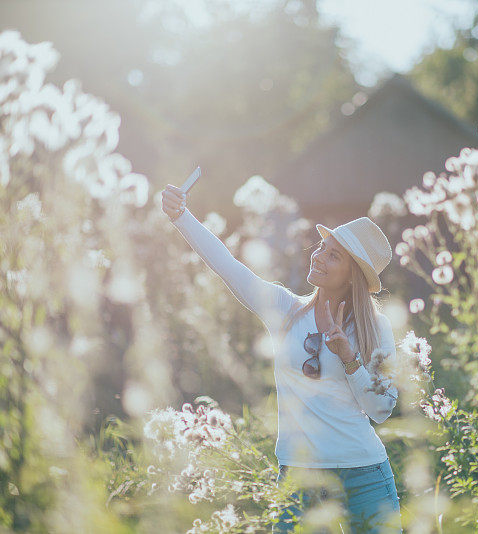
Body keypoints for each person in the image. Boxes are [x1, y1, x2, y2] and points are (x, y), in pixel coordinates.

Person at [161, 184, 403, 533]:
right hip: (297, 479)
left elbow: (382, 409)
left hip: (363, 475)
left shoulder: (375, 328)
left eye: (334, 255)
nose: (318, 256)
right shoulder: (285, 309)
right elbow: (227, 266)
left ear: (353, 276)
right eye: (322, 247)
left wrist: (349, 358)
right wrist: (180, 215)